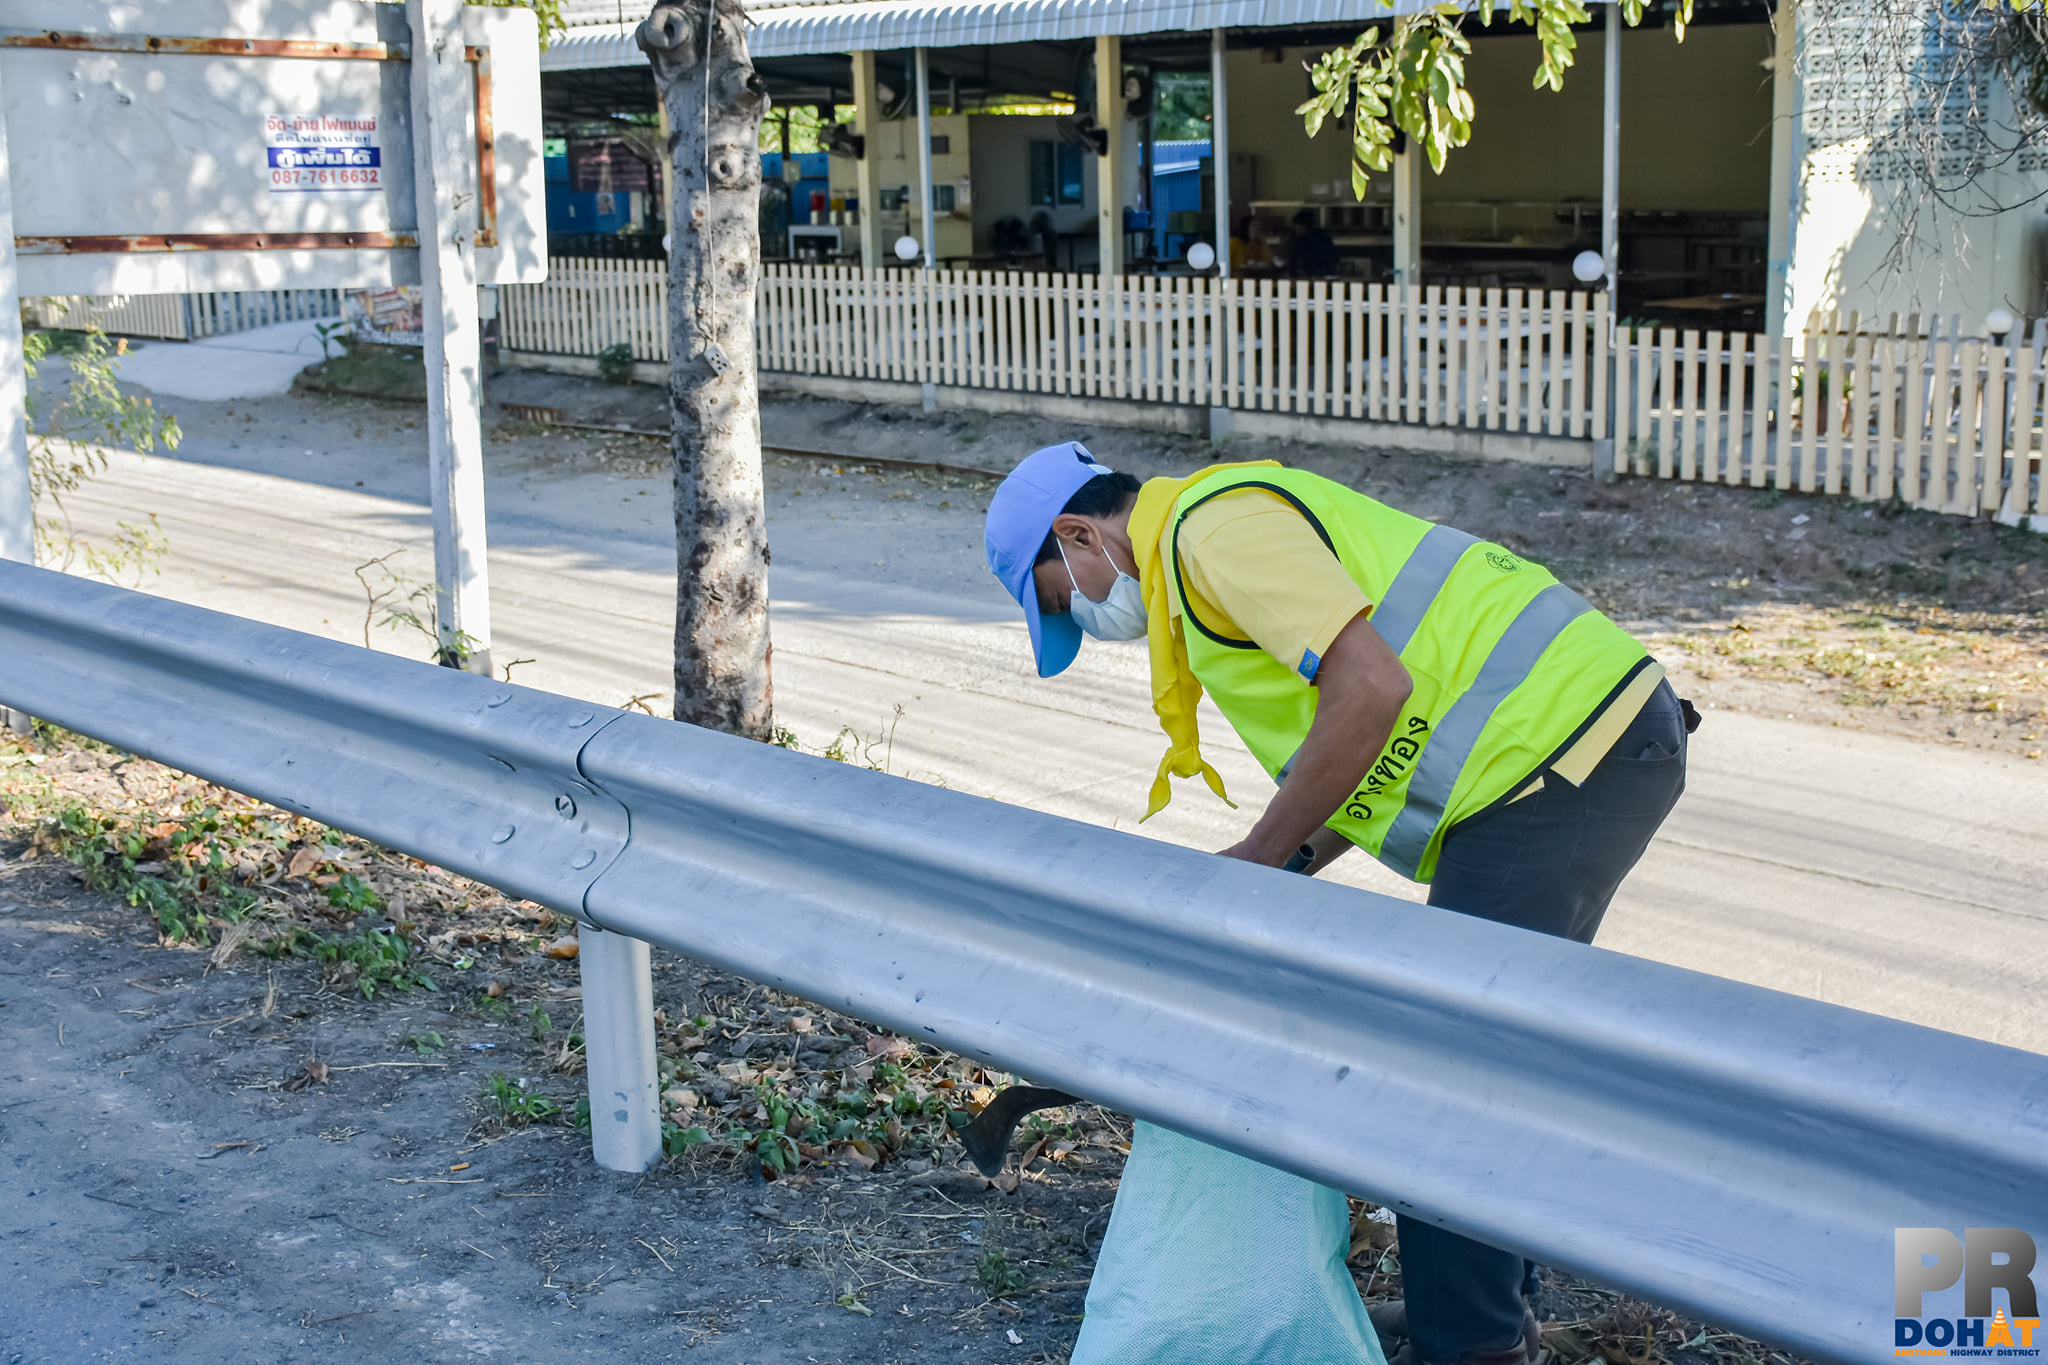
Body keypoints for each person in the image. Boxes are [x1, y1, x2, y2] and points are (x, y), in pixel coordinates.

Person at [982, 443, 1693, 1365]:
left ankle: (1470, 1345)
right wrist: (1289, 858)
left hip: (1552, 757)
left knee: (1439, 1076)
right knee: (1487, 1063)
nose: (1080, 617)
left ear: (1080, 534)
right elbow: (1373, 745)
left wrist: (1257, 853)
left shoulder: (1211, 534)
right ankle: (1483, 1319)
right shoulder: (1204, 550)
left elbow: (1372, 689)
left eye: (1058, 597)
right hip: (1572, 750)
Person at [1290, 207, 1341, 276]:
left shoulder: (1318, 240)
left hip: (1319, 274)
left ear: (1307, 226)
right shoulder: (1298, 239)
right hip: (1310, 274)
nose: (1297, 228)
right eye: (1296, 226)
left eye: (1300, 226)